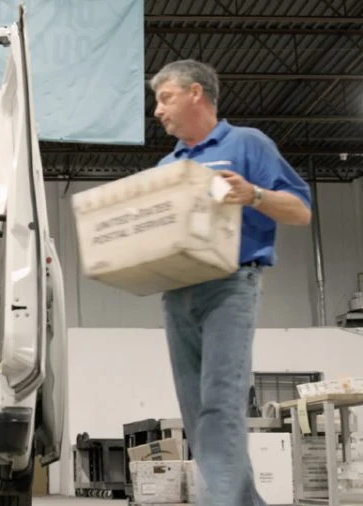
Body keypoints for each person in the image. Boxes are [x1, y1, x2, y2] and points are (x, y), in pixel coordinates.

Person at [148, 59, 312, 505]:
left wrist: (253, 194)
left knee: (221, 404)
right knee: (197, 414)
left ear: (195, 92)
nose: (158, 111)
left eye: (165, 98)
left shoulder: (246, 144)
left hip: (229, 286)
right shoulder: (168, 164)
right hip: (177, 293)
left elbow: (300, 210)